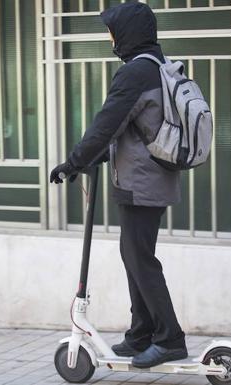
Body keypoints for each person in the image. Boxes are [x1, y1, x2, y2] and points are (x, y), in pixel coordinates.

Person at [49, 1, 187, 369]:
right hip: (149, 177)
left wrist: (74, 161)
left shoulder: (136, 72)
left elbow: (107, 122)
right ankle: (141, 334)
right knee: (134, 256)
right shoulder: (158, 66)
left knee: (140, 259)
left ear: (127, 33)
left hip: (142, 182)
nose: (110, 37)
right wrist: (99, 157)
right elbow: (138, 126)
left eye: (113, 30)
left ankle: (170, 339)